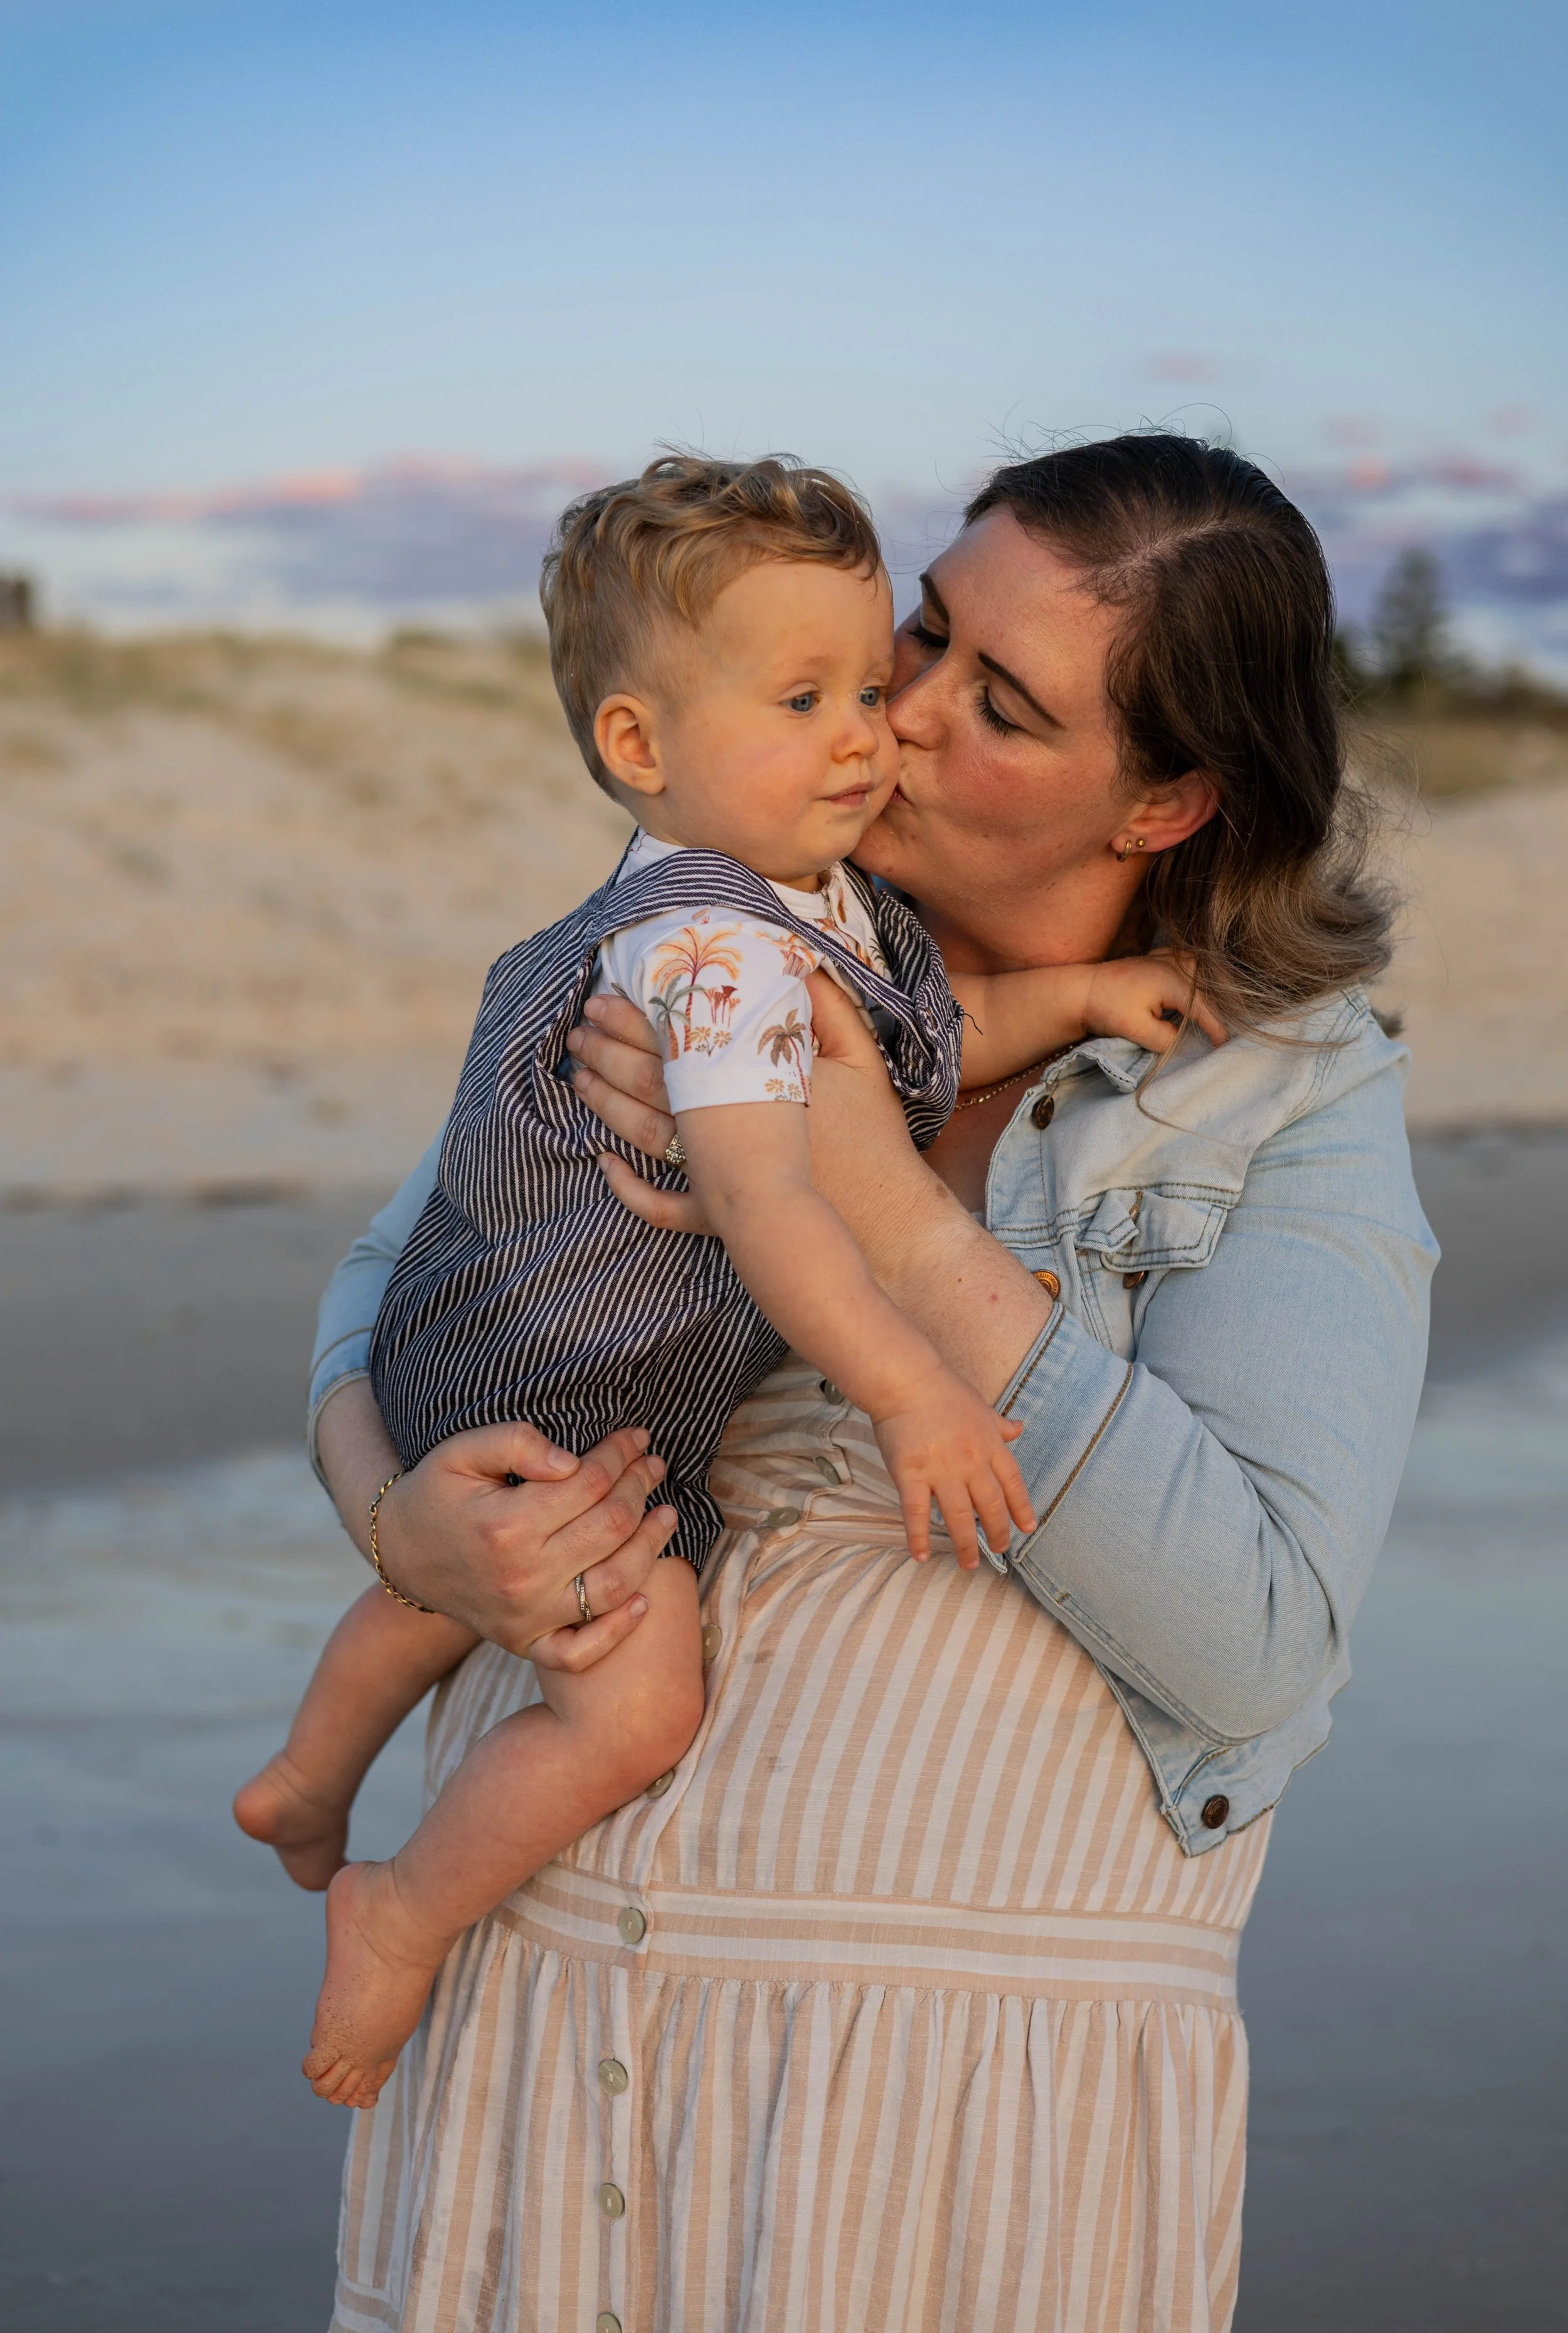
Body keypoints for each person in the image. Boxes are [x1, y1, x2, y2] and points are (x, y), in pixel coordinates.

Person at [302, 436, 1436, 2333]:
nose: (896, 717)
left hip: (950, 2131)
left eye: (992, 704)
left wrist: (875, 1190)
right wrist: (398, 1521)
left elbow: (1252, 1643)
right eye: (917, 632)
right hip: (535, 2033)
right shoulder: (722, 930)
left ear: (1162, 800)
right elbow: (389, 1285)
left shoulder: (1285, 1095)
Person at [234, 455, 1207, 2112]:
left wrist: (1088, 987)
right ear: (639, 746)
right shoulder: (714, 951)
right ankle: (397, 1906)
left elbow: (914, 1044)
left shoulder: (806, 905)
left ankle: (308, 1777)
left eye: (867, 681)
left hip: (479, 1349)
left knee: (438, 1597)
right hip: (565, 1380)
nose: (862, 731)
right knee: (633, 1698)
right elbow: (770, 1197)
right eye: (804, 695)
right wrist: (911, 1391)